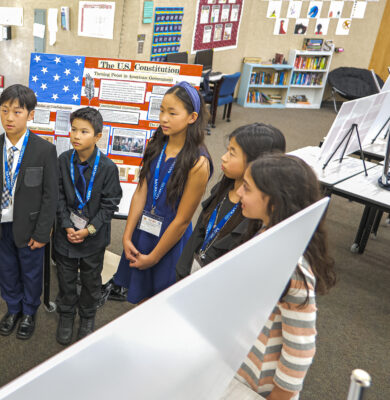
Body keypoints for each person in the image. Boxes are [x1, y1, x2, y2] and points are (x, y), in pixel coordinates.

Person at [234, 154, 336, 399]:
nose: (238, 192)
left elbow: (299, 349)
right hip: (242, 371)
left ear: (274, 202)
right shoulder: (266, 233)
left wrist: (280, 395)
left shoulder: (294, 270)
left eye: (246, 188)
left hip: (261, 389)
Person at [103, 82, 211, 304]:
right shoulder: (157, 143)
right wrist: (126, 235)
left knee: (163, 300)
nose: (163, 118)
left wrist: (154, 257)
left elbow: (182, 220)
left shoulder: (198, 162)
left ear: (192, 117)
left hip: (169, 240)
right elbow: (141, 191)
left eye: (172, 113)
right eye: (162, 110)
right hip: (143, 230)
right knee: (140, 295)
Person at [0, 84, 58, 340]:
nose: (9, 118)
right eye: (4, 111)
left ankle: (28, 312)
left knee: (31, 271)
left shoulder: (44, 150)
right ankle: (13, 309)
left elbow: (50, 195)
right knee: (8, 269)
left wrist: (43, 232)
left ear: (30, 115)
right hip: (1, 224)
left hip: (31, 226)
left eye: (17, 112)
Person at [176, 123, 286, 279]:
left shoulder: (255, 214)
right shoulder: (223, 188)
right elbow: (199, 233)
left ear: (257, 163)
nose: (223, 157)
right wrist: (182, 272)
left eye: (232, 153)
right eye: (227, 150)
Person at [53, 107, 122, 345]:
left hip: (93, 236)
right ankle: (66, 313)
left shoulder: (108, 168)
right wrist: (66, 225)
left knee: (92, 279)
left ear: (98, 136)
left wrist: (89, 229)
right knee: (66, 276)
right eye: (73, 129)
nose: (76, 135)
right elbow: (58, 197)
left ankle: (87, 316)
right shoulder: (63, 161)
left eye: (84, 131)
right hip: (66, 234)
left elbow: (110, 204)